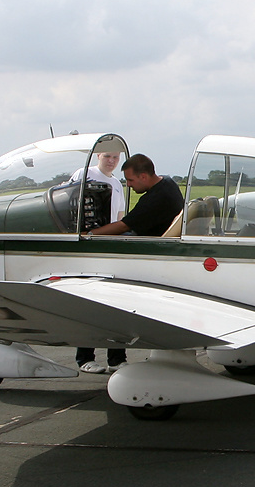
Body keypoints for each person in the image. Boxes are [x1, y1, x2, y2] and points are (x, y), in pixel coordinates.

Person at [78, 154, 184, 374]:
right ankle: (110, 359)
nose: (128, 185)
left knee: (102, 306)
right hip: (146, 256)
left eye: (131, 181)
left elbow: (124, 225)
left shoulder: (156, 199)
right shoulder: (168, 184)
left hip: (138, 260)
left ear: (144, 176)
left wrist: (89, 234)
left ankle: (95, 357)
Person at [69, 149, 125, 226]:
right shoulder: (84, 174)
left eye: (115, 157)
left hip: (109, 234)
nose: (111, 160)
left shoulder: (117, 184)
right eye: (107, 156)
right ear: (98, 156)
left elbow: (119, 214)